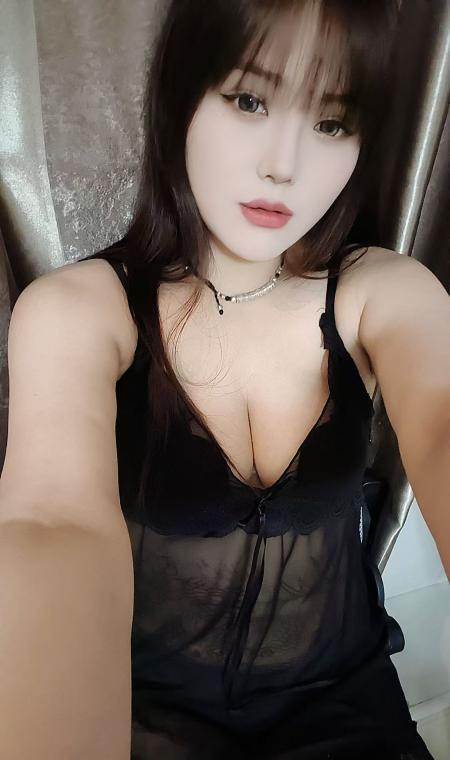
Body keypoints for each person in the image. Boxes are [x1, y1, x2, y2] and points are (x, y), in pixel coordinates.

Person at [2, 1, 448, 759]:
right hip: (147, 720)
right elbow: (52, 522)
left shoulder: (382, 290)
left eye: (331, 122)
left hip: (346, 708)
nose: (285, 165)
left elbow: (442, 419)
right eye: (249, 100)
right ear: (179, 95)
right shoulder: (80, 312)